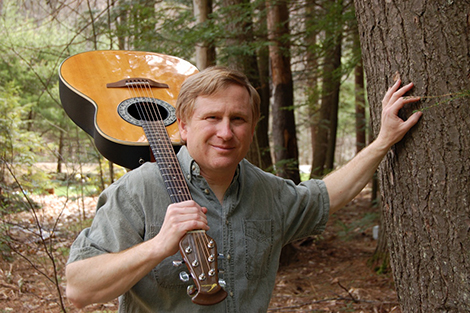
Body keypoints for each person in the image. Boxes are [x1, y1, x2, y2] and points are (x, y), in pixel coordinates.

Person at [65, 66, 422, 312]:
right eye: (211, 118)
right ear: (184, 127)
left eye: (238, 119)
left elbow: (326, 196)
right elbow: (80, 289)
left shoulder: (268, 193)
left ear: (252, 129)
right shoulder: (140, 189)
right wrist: (158, 246)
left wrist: (383, 141)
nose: (225, 132)